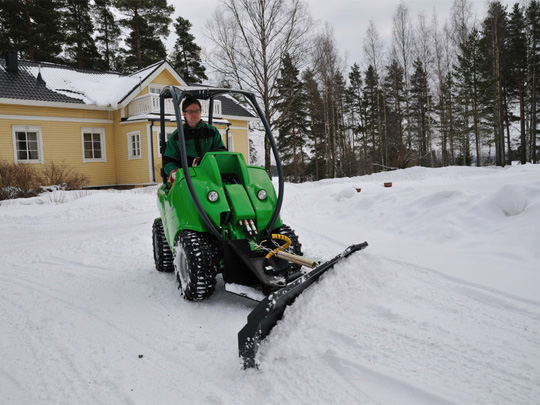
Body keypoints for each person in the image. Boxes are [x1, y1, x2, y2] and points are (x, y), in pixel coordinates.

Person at [163, 96, 226, 185]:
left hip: (211, 176)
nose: (194, 114)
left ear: (201, 112)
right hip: (186, 179)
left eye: (197, 111)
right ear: (184, 114)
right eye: (190, 112)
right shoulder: (177, 136)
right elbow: (169, 161)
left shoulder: (212, 132)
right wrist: (173, 172)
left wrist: (203, 160)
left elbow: (221, 153)